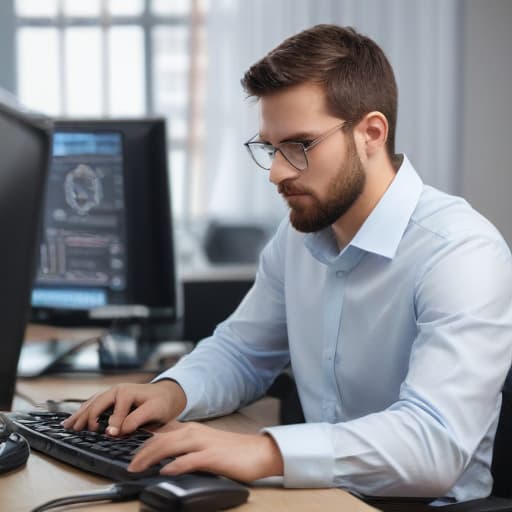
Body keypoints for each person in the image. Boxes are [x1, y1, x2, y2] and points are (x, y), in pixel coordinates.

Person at [62, 24, 512, 504]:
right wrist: (172, 391)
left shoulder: (460, 252)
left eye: (299, 146)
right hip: (318, 492)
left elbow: (434, 443)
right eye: (270, 148)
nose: (277, 172)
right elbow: (242, 352)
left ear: (371, 134)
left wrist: (265, 452)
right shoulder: (299, 235)